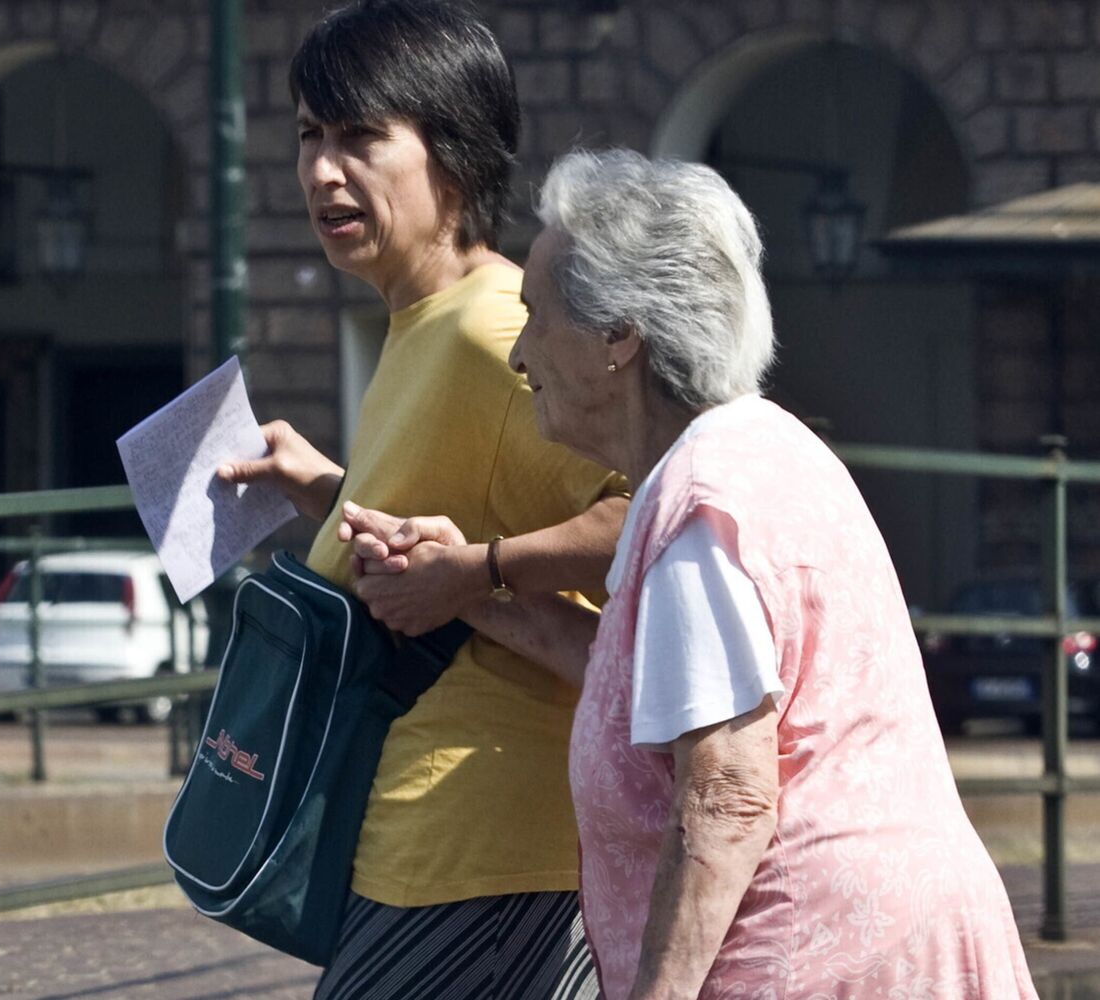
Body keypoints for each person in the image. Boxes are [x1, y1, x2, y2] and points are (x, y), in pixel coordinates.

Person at [344, 148, 1038, 998]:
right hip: (895, 941)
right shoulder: (760, 446)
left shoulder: (699, 510)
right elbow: (630, 678)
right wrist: (458, 578)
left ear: (619, 337)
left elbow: (728, 803)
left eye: (535, 318)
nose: (521, 356)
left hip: (819, 961)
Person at [216, 2, 627, 996]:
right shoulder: (422, 322)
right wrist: (324, 487)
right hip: (424, 849)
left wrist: (480, 573)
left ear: (453, 152)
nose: (322, 170)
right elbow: (456, 509)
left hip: (483, 864)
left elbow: (662, 509)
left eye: (361, 137)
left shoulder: (493, 331)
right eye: (309, 135)